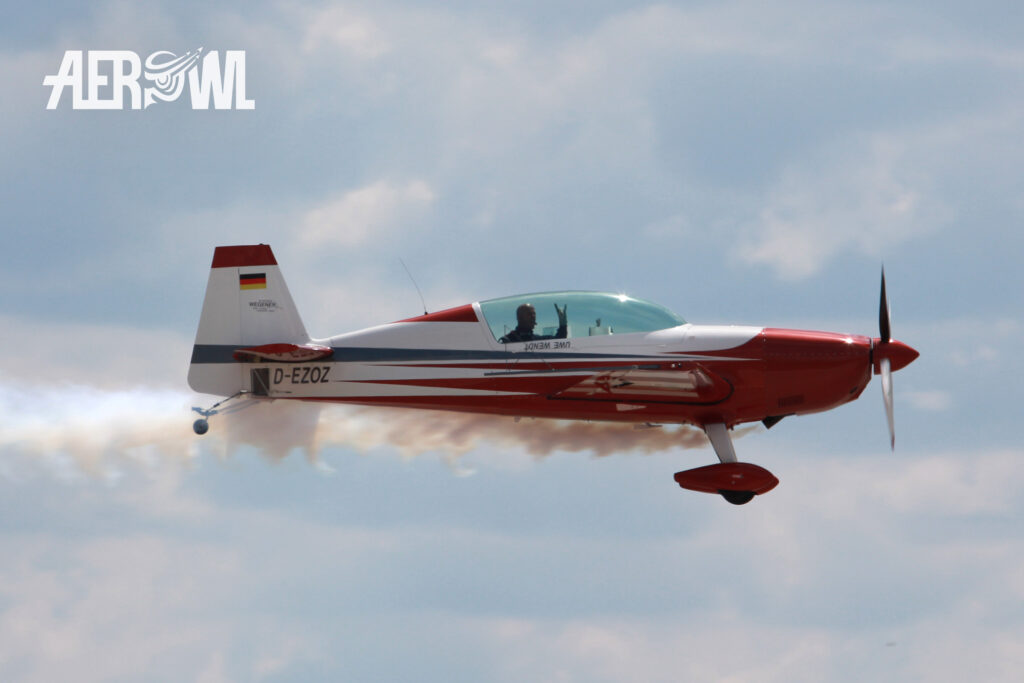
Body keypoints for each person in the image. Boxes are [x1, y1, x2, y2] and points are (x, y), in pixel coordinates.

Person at [500, 303, 567, 343]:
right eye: (529, 314)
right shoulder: (507, 341)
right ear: (519, 317)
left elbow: (559, 341)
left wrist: (563, 325)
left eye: (534, 314)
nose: (533, 317)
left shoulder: (538, 341)